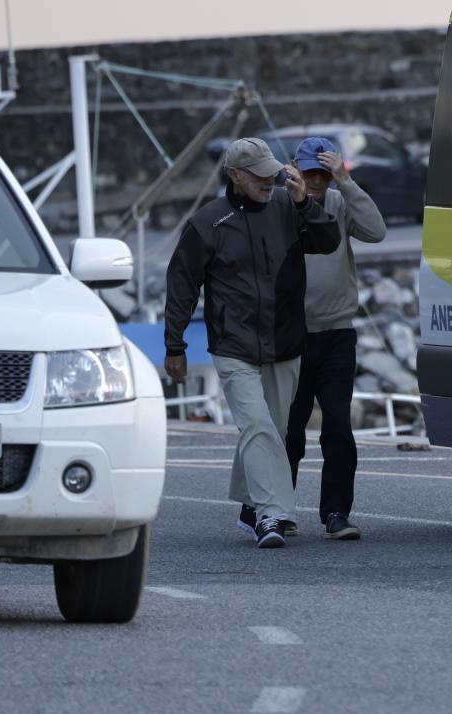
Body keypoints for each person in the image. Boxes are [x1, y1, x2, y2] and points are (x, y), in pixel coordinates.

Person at [163, 137, 340, 549]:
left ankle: (249, 505)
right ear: (235, 176)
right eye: (259, 174)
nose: (269, 180)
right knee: (257, 426)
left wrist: (303, 204)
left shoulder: (287, 206)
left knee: (271, 431)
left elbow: (327, 241)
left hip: (285, 341)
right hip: (233, 344)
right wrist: (175, 345)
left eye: (271, 172)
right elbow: (182, 285)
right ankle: (271, 514)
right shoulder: (207, 223)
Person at [284, 136, 386, 540]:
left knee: (339, 428)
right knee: (289, 432)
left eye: (322, 174)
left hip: (337, 333)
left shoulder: (340, 201)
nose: (315, 181)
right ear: (294, 168)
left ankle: (336, 513)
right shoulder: (280, 205)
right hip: (291, 337)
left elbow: (376, 232)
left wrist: (346, 182)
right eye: (309, 172)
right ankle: (275, 510)